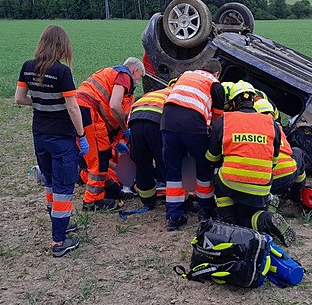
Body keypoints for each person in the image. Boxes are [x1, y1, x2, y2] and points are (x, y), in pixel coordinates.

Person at [14, 24, 87, 257]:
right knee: (64, 187)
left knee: (50, 182)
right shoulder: (62, 72)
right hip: (62, 137)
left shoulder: (27, 67)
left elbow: (19, 99)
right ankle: (59, 241)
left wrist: (41, 103)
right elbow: (73, 108)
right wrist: (82, 135)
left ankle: (60, 223)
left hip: (40, 135)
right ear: (61, 46)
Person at [206, 81, 296, 246]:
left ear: (233, 103)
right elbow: (273, 160)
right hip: (261, 186)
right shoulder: (271, 123)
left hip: (231, 184)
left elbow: (211, 157)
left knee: (217, 170)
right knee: (249, 216)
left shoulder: (226, 119)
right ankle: (266, 219)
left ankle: (229, 219)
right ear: (254, 100)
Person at [161, 59, 225, 231]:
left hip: (167, 124)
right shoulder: (215, 84)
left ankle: (175, 217)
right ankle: (207, 211)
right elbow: (218, 120)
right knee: (202, 169)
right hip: (193, 126)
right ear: (217, 74)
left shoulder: (186, 75)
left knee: (174, 171)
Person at [76, 57, 144, 211]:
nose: (138, 82)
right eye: (139, 77)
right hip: (88, 111)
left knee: (101, 155)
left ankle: (111, 190)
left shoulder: (111, 75)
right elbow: (114, 106)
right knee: (99, 159)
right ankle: (92, 201)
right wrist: (125, 129)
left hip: (84, 111)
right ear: (136, 70)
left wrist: (115, 138)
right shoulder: (124, 75)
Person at [128, 78, 176, 209]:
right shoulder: (180, 93)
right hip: (157, 122)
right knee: (167, 162)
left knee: (142, 162)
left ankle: (148, 200)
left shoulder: (158, 92)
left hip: (136, 119)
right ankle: (179, 202)